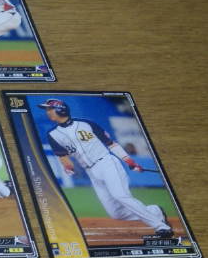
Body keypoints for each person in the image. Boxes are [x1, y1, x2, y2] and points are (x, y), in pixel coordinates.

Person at [38, 99, 174, 237]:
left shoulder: (86, 124)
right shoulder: (53, 134)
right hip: (91, 171)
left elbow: (111, 144)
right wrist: (68, 166)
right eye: (47, 109)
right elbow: (63, 156)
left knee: (120, 195)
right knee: (116, 213)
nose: (47, 112)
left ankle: (161, 227)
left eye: (49, 109)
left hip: (107, 163)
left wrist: (129, 161)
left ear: (60, 109)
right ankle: (155, 211)